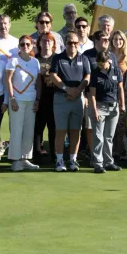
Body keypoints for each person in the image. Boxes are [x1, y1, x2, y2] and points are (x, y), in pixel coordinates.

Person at [49, 32, 91, 172]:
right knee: (60, 131)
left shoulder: (83, 58)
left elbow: (87, 76)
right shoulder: (58, 58)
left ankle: (73, 159)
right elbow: (53, 75)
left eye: (75, 43)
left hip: (78, 99)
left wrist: (78, 90)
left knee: (75, 131)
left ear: (78, 44)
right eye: (69, 42)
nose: (72, 45)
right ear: (65, 44)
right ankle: (59, 160)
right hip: (61, 98)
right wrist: (67, 89)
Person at [5, 35, 41, 171]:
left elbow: (38, 82)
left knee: (28, 130)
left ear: (32, 46)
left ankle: (25, 159)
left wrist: (37, 99)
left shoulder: (35, 62)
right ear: (19, 46)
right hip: (17, 100)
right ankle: (15, 160)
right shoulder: (13, 60)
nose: (25, 46)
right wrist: (12, 98)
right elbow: (8, 80)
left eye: (27, 44)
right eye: (22, 44)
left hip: (31, 100)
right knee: (16, 130)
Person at [88, 50, 126, 173]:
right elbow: (92, 94)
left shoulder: (116, 71)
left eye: (102, 64)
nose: (100, 66)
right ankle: (98, 164)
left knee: (109, 137)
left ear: (108, 61)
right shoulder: (95, 73)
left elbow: (120, 88)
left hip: (113, 107)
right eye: (98, 64)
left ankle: (108, 162)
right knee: (98, 137)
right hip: (100, 106)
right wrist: (95, 110)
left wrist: (122, 104)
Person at [110, 30, 127, 160]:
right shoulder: (107, 54)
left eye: (120, 39)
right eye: (115, 39)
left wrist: (124, 96)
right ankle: (109, 151)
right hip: (108, 95)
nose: (118, 41)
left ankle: (120, 150)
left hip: (123, 95)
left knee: (120, 123)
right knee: (109, 123)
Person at [34, 32, 57, 160]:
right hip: (39, 98)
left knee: (53, 128)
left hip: (54, 97)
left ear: (53, 43)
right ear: (39, 43)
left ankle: (55, 155)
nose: (46, 43)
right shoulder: (35, 59)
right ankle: (37, 154)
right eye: (43, 40)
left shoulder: (57, 58)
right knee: (38, 128)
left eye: (49, 41)